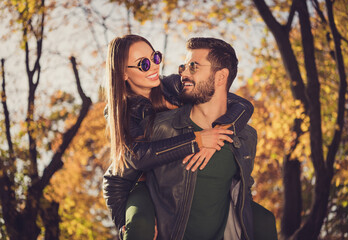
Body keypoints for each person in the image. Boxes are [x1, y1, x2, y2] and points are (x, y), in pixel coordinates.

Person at [102, 35, 254, 240]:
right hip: (139, 184)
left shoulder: (172, 85)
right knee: (140, 226)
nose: (154, 67)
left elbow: (243, 105)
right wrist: (198, 140)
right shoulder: (122, 111)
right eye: (143, 64)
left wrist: (218, 135)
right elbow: (136, 158)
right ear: (123, 74)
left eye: (155, 58)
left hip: (172, 177)